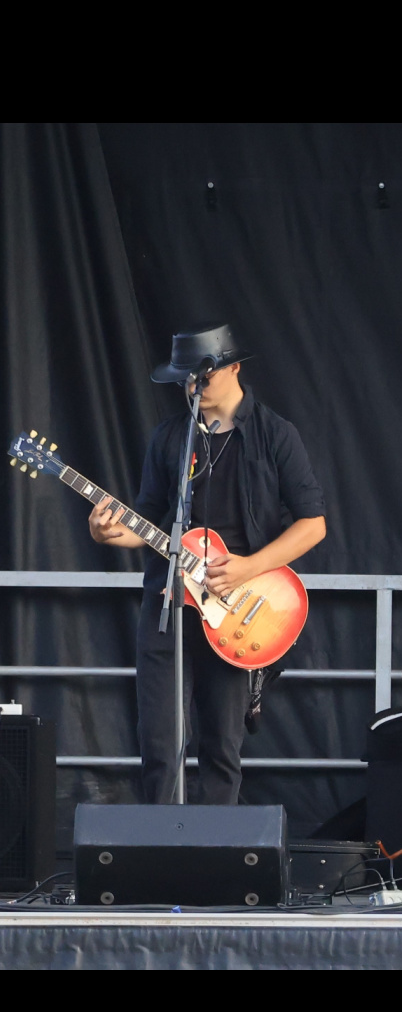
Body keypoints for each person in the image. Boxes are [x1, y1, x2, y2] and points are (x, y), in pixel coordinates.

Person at [88, 325, 327, 804]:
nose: (192, 385)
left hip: (238, 605)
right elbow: (147, 519)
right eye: (185, 378)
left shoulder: (275, 435)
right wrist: (108, 532)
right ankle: (158, 855)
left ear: (234, 366)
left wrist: (248, 567)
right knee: (158, 741)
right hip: (168, 605)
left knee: (220, 744)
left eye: (202, 374)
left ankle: (215, 862)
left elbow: (313, 525)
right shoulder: (170, 438)